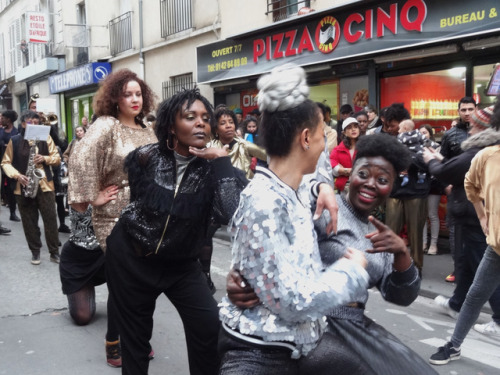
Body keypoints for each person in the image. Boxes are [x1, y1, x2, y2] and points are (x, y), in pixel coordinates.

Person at [218, 64, 371, 374]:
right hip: (262, 353)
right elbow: (292, 301)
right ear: (305, 138)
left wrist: (324, 184)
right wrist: (351, 271)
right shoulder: (265, 201)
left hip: (295, 347)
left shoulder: (296, 189)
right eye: (320, 137)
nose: (324, 147)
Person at [104, 87, 245, 375]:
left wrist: (219, 161)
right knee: (136, 342)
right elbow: (137, 205)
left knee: (209, 327)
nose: (200, 123)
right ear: (171, 125)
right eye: (190, 117)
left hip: (181, 264)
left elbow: (232, 213)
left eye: (206, 118)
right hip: (132, 259)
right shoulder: (144, 157)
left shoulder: (216, 168)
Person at [67, 69, 158, 367]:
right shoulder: (107, 125)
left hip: (146, 209)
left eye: (138, 93)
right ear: (115, 98)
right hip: (113, 214)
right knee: (124, 280)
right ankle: (114, 341)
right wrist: (92, 197)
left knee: (143, 281)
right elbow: (81, 156)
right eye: (127, 94)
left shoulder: (147, 128)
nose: (134, 99)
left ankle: (137, 337)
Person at [429, 100, 500, 365]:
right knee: (474, 295)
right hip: (497, 244)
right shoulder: (486, 155)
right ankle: (454, 345)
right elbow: (470, 185)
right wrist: (483, 217)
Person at [1, 110, 61, 264]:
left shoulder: (46, 138)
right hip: (23, 185)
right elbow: (5, 163)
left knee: (50, 220)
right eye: (30, 123)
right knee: (28, 221)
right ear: (23, 124)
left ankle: (54, 252)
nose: (34, 125)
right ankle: (35, 252)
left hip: (45, 184)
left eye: (36, 123)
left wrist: (45, 158)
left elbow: (57, 159)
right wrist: (17, 176)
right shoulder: (14, 141)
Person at [383, 103, 430, 274]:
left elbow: (428, 163)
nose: (390, 128)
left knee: (415, 233)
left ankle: (416, 269)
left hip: (416, 190)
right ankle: (388, 267)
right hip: (394, 191)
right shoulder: (389, 139)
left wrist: (405, 158)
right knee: (391, 231)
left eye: (393, 124)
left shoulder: (420, 138)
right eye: (388, 124)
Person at [439, 97, 477, 283]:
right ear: (459, 111)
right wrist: (446, 185)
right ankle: (458, 270)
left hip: (480, 191)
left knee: (480, 233)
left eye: (471, 109)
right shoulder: (450, 135)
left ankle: (476, 272)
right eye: (464, 109)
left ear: (476, 110)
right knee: (455, 234)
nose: (467, 112)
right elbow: (442, 161)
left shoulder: (486, 132)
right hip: (457, 191)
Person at [418, 124, 443, 255]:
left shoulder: (436, 147)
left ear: (430, 134)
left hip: (434, 184)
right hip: (420, 183)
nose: (423, 135)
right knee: (422, 215)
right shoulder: (416, 147)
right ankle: (423, 242)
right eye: (420, 132)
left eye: (425, 132)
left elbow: (437, 165)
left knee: (432, 214)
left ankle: (433, 244)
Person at [330, 117, 359, 192]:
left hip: (361, 185)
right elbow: (332, 165)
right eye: (349, 127)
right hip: (344, 187)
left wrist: (344, 170)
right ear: (344, 132)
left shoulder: (365, 147)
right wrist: (342, 170)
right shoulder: (338, 149)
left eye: (355, 127)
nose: (353, 129)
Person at [1, 110, 20, 221]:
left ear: (8, 120)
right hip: (0, 163)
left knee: (11, 189)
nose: (1, 120)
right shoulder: (0, 131)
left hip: (11, 164)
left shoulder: (16, 132)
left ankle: (13, 213)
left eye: (3, 118)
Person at [397, 119, 428, 186]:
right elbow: (426, 141)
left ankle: (404, 177)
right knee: (421, 167)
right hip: (418, 153)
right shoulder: (418, 134)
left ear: (405, 128)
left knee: (403, 167)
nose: (398, 131)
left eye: (399, 128)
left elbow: (398, 147)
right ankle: (421, 178)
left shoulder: (400, 136)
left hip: (406, 155)